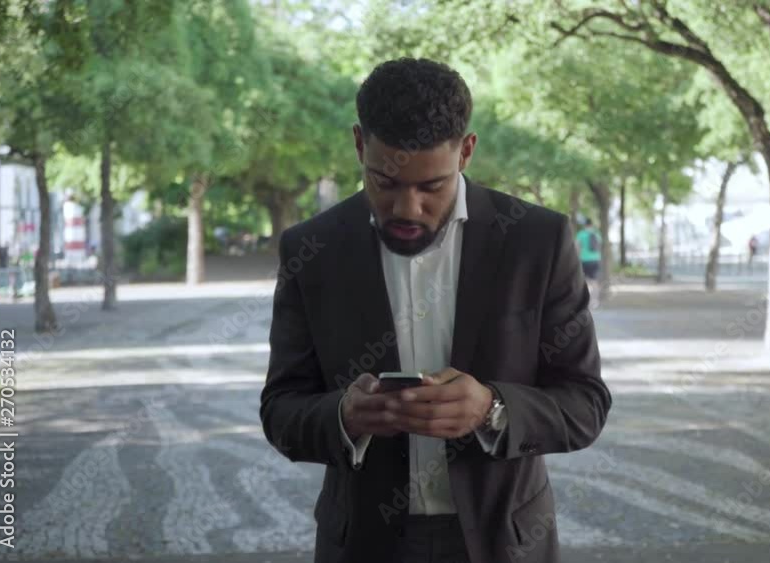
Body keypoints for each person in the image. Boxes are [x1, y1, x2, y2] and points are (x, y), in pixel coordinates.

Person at [259, 58, 611, 563]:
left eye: (431, 187)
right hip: (363, 545)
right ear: (359, 144)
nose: (407, 208)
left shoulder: (537, 241)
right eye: (385, 182)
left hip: (503, 543)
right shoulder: (310, 249)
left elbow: (585, 404)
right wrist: (343, 416)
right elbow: (281, 409)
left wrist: (491, 408)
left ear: (466, 151)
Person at [574, 217, 602, 305]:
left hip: (584, 260)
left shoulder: (581, 234)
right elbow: (599, 247)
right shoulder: (597, 234)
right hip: (595, 260)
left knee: (584, 281)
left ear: (584, 225)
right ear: (591, 225)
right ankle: (595, 300)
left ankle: (585, 300)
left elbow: (577, 247)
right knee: (594, 281)